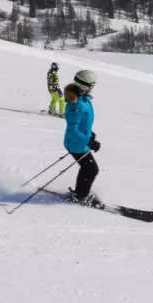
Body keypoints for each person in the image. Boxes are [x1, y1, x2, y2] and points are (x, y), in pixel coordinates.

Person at [62, 70, 100, 204]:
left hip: (81, 142)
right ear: (83, 85)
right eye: (91, 85)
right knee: (91, 169)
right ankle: (81, 196)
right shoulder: (75, 104)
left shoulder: (84, 99)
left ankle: (81, 193)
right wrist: (88, 140)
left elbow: (84, 121)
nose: (92, 88)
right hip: (76, 143)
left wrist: (90, 134)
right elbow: (73, 130)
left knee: (89, 169)